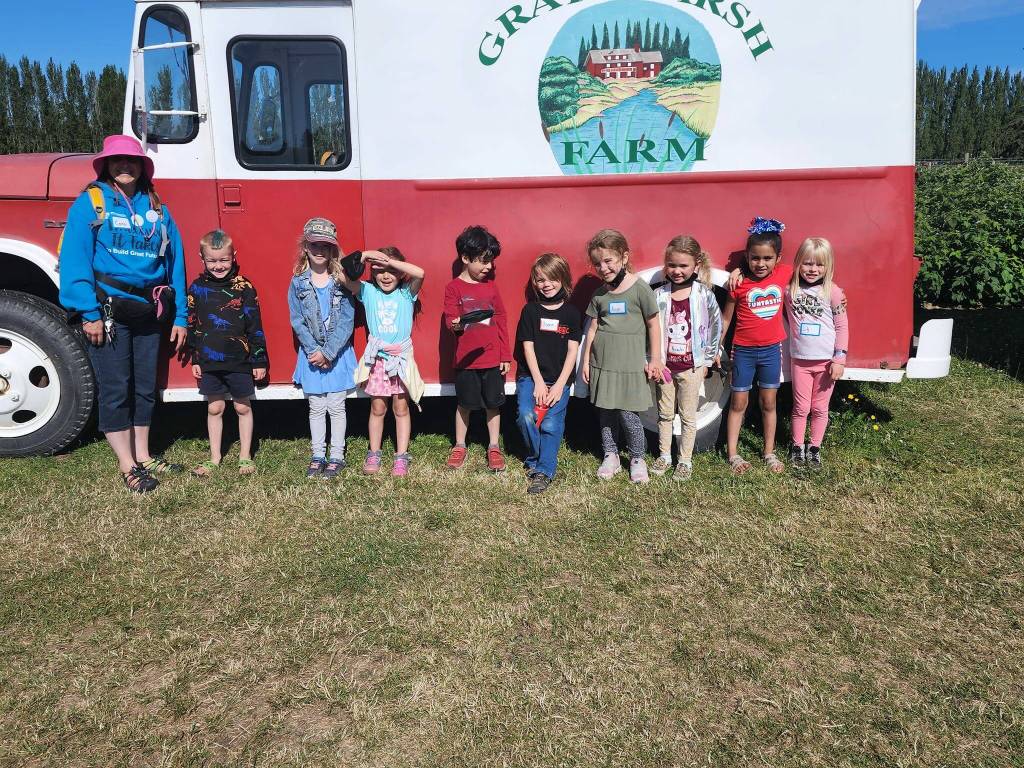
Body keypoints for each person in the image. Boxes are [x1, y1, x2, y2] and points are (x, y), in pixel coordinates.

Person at [58, 134, 188, 493]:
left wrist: (179, 317)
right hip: (108, 311)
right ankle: (126, 464)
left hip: (150, 311)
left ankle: (144, 455)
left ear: (142, 167)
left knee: (145, 388)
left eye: (131, 161)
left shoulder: (158, 207)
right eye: (117, 161)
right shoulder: (91, 203)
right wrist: (88, 312)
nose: (125, 166)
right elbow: (74, 260)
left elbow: (176, 263)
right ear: (107, 166)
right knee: (117, 387)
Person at [581, 229, 663, 484]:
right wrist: (585, 362)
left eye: (608, 261)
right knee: (605, 413)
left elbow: (653, 325)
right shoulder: (599, 295)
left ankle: (637, 458)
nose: (603, 268)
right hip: (602, 364)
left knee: (629, 415)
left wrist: (656, 358)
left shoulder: (640, 289)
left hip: (630, 365)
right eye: (597, 263)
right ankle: (611, 454)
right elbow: (592, 329)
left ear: (624, 257)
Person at [187, 230, 268, 477]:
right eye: (212, 260)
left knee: (243, 407)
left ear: (233, 256)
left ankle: (245, 457)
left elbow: (255, 325)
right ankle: (214, 457)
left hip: (240, 360)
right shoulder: (196, 287)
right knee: (215, 408)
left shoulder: (244, 287)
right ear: (202, 258)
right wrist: (195, 357)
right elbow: (192, 323)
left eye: (223, 259)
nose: (218, 265)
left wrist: (259, 358)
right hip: (209, 360)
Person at [720, 217, 793, 475]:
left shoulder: (785, 274)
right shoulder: (738, 283)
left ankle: (769, 451)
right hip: (743, 351)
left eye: (767, 258)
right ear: (747, 257)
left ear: (777, 258)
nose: (760, 264)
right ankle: (732, 453)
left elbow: (811, 274)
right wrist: (717, 345)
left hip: (772, 350)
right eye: (754, 258)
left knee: (769, 403)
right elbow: (727, 317)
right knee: (739, 403)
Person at [287, 218, 358, 479]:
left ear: (332, 251)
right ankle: (318, 455)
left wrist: (328, 352)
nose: (319, 250)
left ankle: (337, 456)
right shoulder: (297, 283)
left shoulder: (342, 282)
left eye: (325, 246)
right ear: (306, 247)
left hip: (336, 356)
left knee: (336, 406)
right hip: (311, 356)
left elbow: (347, 321)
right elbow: (297, 320)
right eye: (314, 245)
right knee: (316, 406)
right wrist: (314, 351)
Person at [346, 246, 425, 477]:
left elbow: (420, 273)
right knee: (377, 407)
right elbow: (341, 275)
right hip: (378, 361)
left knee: (401, 408)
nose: (386, 275)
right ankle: (374, 452)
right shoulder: (368, 291)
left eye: (391, 270)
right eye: (380, 270)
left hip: (400, 360)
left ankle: (401, 456)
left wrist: (390, 262)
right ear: (372, 273)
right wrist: (364, 255)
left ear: (400, 272)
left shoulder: (406, 293)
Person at [652, 235, 723, 481]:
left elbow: (716, 325)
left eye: (683, 266)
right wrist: (650, 358)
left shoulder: (703, 294)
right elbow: (649, 328)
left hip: (692, 367)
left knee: (688, 415)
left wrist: (708, 358)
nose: (677, 271)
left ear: (696, 265)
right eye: (672, 265)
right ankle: (664, 455)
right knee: (664, 414)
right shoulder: (659, 295)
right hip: (665, 366)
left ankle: (685, 460)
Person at [442, 225, 512, 472]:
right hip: (466, 361)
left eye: (490, 262)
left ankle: (494, 446)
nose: (488, 267)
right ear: (465, 258)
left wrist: (505, 354)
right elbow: (450, 318)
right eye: (483, 261)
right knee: (465, 404)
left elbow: (501, 318)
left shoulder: (491, 287)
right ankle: (460, 445)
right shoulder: (453, 288)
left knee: (493, 404)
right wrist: (456, 325)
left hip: (492, 359)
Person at [514, 253, 582, 494]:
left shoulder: (572, 314)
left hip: (560, 380)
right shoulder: (530, 311)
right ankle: (533, 458)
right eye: (541, 280)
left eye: (553, 279)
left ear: (563, 279)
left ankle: (544, 470)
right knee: (526, 416)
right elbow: (527, 347)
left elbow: (573, 351)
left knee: (552, 424)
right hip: (531, 377)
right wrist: (539, 383)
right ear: (535, 283)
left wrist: (559, 385)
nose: (547, 284)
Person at [786, 237, 849, 469]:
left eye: (819, 265)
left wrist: (839, 358)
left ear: (828, 266)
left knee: (820, 407)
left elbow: (842, 326)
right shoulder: (789, 289)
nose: (813, 269)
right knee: (800, 407)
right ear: (798, 263)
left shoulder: (833, 292)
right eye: (807, 263)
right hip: (800, 360)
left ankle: (814, 448)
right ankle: (797, 447)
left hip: (825, 363)